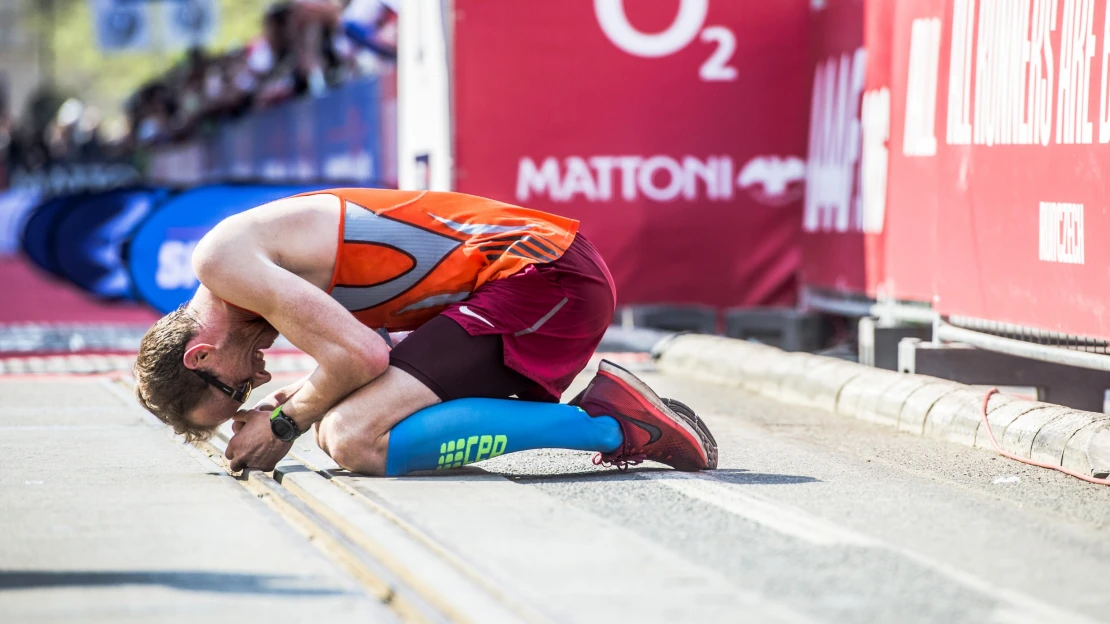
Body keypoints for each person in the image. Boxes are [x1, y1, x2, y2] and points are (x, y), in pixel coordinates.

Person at [133, 188, 717, 475]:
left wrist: (284, 423)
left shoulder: (220, 262)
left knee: (354, 436)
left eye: (234, 392)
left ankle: (616, 426)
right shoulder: (246, 294)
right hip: (530, 283)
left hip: (545, 277)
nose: (254, 385)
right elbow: (376, 350)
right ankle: (611, 419)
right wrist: (309, 399)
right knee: (342, 430)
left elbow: (362, 355)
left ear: (200, 354)